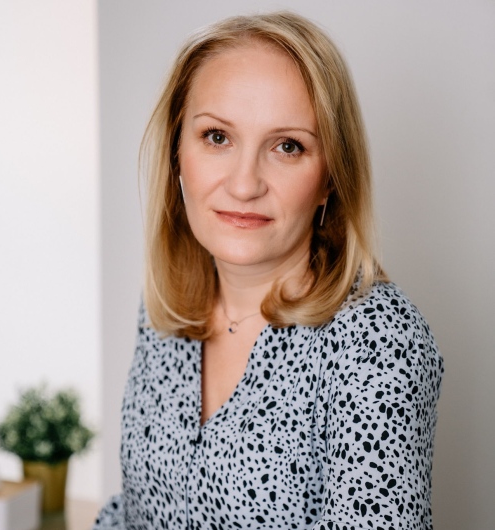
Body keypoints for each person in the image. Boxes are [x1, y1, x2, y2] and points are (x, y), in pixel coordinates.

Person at [94, 11, 443, 530]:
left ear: (330, 178)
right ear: (176, 152)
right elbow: (135, 513)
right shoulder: (166, 306)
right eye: (217, 137)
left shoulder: (378, 339)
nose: (244, 184)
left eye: (287, 146)